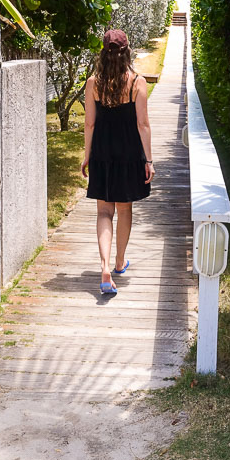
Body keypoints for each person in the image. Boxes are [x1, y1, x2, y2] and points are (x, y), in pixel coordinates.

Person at [81, 29, 155, 295]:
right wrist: (149, 159)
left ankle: (103, 267)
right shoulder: (137, 82)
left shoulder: (93, 83)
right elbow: (143, 124)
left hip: (102, 150)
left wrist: (87, 155)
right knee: (124, 210)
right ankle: (119, 262)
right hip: (128, 152)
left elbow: (89, 123)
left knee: (103, 212)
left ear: (103, 52)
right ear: (127, 52)